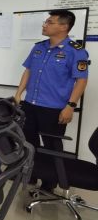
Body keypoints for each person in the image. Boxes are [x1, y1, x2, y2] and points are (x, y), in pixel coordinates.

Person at [14, 10, 89, 189]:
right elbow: (28, 70)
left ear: (64, 26)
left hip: (54, 108)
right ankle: (31, 174)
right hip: (30, 104)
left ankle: (50, 182)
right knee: (29, 142)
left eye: (50, 22)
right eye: (46, 22)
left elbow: (81, 80)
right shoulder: (38, 47)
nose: (44, 25)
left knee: (51, 146)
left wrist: (71, 106)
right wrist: (18, 93)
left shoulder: (76, 51)